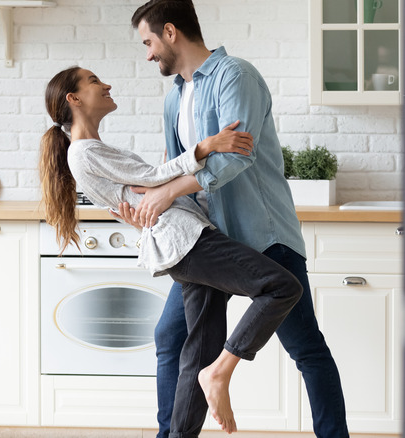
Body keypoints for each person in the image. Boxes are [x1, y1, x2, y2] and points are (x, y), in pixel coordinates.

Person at [121, 1, 350, 437]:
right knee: (170, 338)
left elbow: (234, 160)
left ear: (170, 32)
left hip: (264, 236)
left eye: (148, 42)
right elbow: (175, 165)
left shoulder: (235, 76)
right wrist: (152, 206)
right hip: (208, 245)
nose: (148, 54)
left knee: (305, 349)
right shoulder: (175, 98)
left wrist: (167, 192)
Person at [39, 65, 302, 436]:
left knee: (199, 349)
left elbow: (137, 194)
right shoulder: (82, 152)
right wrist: (206, 145)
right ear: (74, 98)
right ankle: (220, 372)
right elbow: (150, 182)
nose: (107, 83)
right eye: (95, 80)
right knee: (281, 287)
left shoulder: (92, 150)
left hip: (185, 241)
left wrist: (161, 182)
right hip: (188, 242)